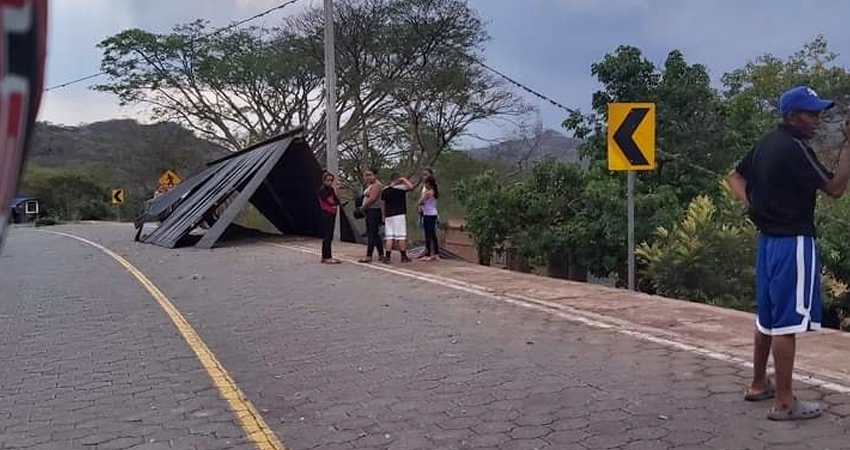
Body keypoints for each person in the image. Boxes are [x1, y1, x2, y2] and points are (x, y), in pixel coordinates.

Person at [727, 86, 850, 421]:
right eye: (811, 114)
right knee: (786, 324)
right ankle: (784, 403)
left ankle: (757, 384)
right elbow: (836, 189)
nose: (817, 120)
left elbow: (735, 176)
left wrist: (754, 206)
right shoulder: (796, 148)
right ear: (793, 116)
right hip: (793, 242)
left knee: (766, 319)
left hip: (767, 241)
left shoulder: (767, 143)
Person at [381, 172, 414, 263]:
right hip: (399, 214)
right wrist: (404, 180)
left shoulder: (385, 190)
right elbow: (411, 187)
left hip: (389, 216)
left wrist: (383, 215)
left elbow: (384, 203)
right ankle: (403, 256)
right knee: (401, 235)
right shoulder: (401, 189)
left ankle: (387, 257)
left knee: (389, 236)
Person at [359, 169, 384, 263]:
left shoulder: (377, 185)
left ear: (375, 175)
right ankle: (381, 254)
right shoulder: (370, 185)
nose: (368, 177)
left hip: (374, 211)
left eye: (370, 175)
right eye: (366, 175)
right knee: (375, 233)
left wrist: (363, 207)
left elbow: (373, 198)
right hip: (370, 211)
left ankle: (369, 255)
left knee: (371, 234)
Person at [316, 171, 342, 265]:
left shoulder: (330, 189)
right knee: (327, 236)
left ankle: (329, 256)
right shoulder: (322, 190)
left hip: (332, 213)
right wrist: (335, 203)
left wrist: (338, 189)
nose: (330, 182)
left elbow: (337, 199)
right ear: (324, 181)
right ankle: (325, 257)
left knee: (330, 235)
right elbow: (331, 201)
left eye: (331, 180)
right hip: (326, 213)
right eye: (328, 180)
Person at [418, 176, 440, 261]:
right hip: (432, 213)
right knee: (433, 234)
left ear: (428, 183)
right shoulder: (434, 191)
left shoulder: (428, 192)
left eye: (425, 183)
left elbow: (420, 201)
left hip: (428, 215)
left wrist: (423, 195)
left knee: (428, 234)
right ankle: (436, 253)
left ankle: (428, 254)